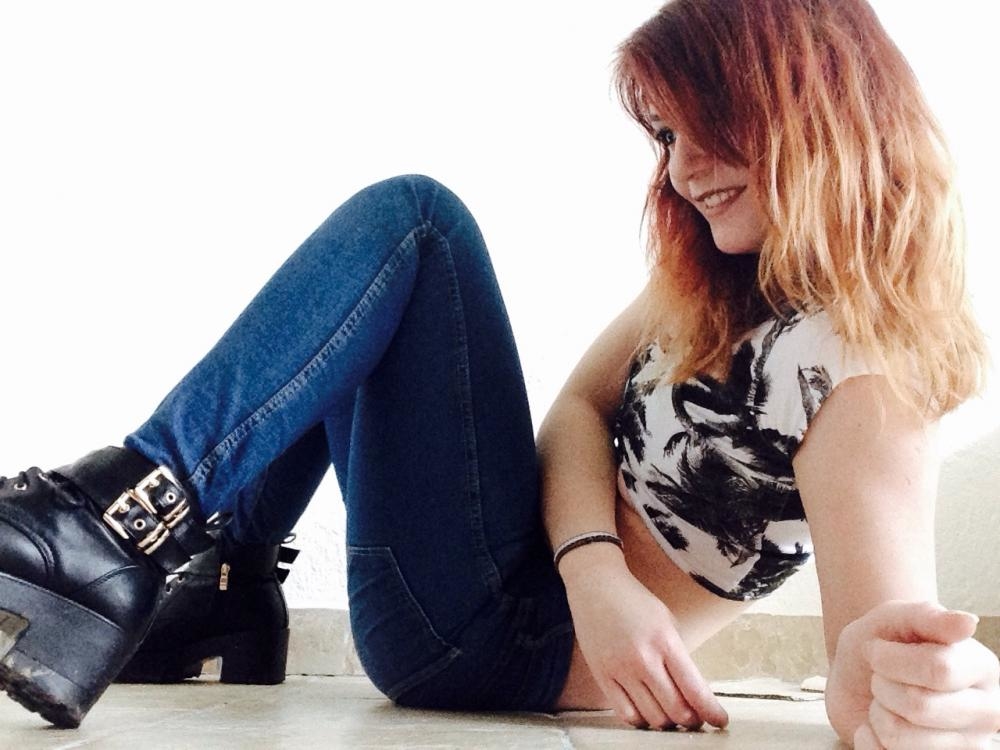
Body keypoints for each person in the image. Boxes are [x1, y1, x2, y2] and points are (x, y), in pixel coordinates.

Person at [0, 0, 998, 746]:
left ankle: (112, 524)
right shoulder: (731, 279)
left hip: (507, 643)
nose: (681, 168)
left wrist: (919, 692)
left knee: (418, 225)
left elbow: (877, 644)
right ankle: (228, 590)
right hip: (529, 588)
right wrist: (596, 570)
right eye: (665, 135)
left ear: (815, 102)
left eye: (707, 120)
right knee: (366, 305)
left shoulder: (865, 367)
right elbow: (578, 410)